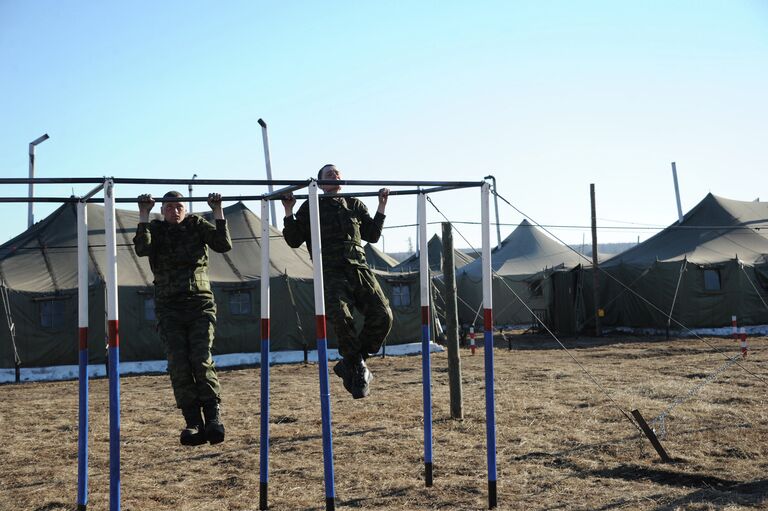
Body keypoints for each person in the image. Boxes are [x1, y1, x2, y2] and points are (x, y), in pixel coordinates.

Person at [281, 164, 393, 399]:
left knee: (383, 315)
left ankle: (353, 362)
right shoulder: (312, 206)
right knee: (341, 318)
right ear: (320, 184)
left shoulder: (354, 203)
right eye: (329, 174)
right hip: (331, 271)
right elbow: (293, 240)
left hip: (358, 269)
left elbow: (371, 235)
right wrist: (288, 210)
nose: (335, 175)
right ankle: (358, 367)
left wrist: (382, 206)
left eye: (337, 173)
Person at [133, 190, 232, 446]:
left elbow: (223, 244)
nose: (174, 211)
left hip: (198, 303)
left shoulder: (196, 225)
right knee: (178, 363)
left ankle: (212, 418)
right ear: (162, 211)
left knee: (200, 358)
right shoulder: (155, 229)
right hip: (169, 307)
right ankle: (193, 422)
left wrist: (218, 211)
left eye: (179, 207)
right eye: (168, 207)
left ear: (185, 210)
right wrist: (143, 214)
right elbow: (142, 249)